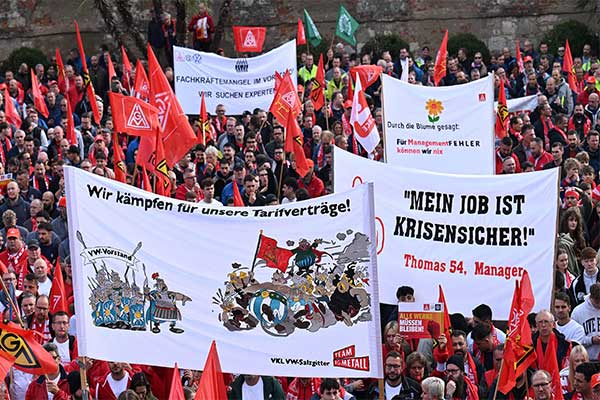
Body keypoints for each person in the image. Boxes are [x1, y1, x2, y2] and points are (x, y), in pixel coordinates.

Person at [572, 283, 600, 360]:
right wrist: (591, 340)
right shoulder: (578, 312)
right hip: (586, 359)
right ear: (591, 297)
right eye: (597, 302)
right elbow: (575, 340)